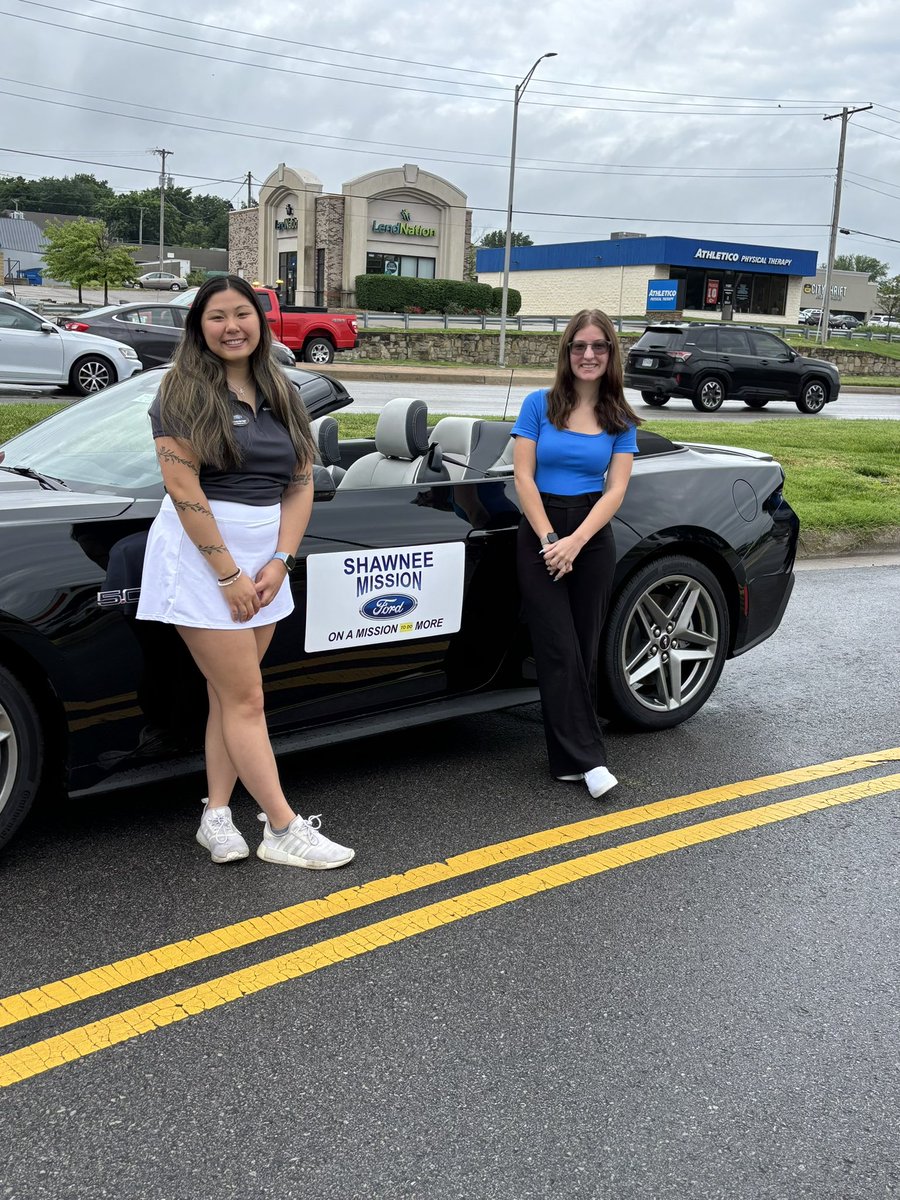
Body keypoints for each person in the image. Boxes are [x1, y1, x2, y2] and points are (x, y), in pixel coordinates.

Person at [136, 275, 354, 869]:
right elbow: (181, 485)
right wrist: (228, 573)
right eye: (217, 316)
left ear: (260, 322)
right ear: (198, 327)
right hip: (204, 556)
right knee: (246, 699)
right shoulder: (179, 392)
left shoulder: (280, 389)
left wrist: (281, 561)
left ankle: (215, 814)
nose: (232, 326)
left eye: (243, 314)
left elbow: (302, 481)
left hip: (265, 558)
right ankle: (282, 828)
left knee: (228, 696)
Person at [511, 309, 642, 801]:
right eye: (579, 346)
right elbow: (522, 477)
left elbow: (616, 489)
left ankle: (567, 761)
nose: (589, 355)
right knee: (558, 647)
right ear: (567, 353)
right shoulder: (538, 405)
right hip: (541, 532)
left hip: (590, 536)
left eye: (599, 347)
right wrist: (550, 540)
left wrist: (576, 542)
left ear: (611, 354)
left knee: (583, 651)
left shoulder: (619, 417)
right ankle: (591, 761)